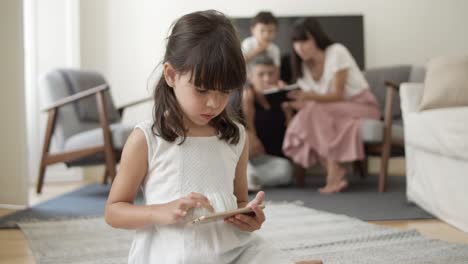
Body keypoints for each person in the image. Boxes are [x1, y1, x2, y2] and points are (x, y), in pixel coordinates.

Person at [105, 10, 321, 264]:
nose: (213, 103)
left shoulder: (236, 136)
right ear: (171, 75)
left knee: (263, 255)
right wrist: (159, 212)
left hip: (234, 251)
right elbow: (114, 211)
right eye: (202, 89)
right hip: (174, 254)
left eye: (225, 91)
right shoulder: (148, 138)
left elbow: (239, 200)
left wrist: (249, 218)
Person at [282, 18, 381, 194]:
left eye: (304, 40)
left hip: (361, 105)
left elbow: (338, 95)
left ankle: (333, 171)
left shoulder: (336, 52)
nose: (299, 47)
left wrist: (308, 96)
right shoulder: (303, 67)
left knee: (312, 111)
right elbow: (317, 100)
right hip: (331, 111)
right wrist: (297, 102)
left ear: (316, 38)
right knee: (310, 111)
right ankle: (333, 169)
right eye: (296, 42)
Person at [241, 54, 294, 191]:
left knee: (285, 169)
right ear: (250, 77)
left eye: (271, 74)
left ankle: (245, 180)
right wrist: (250, 134)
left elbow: (292, 135)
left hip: (265, 159)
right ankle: (244, 178)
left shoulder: (282, 96)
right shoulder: (244, 96)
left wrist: (288, 114)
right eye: (261, 74)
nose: (267, 79)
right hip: (243, 158)